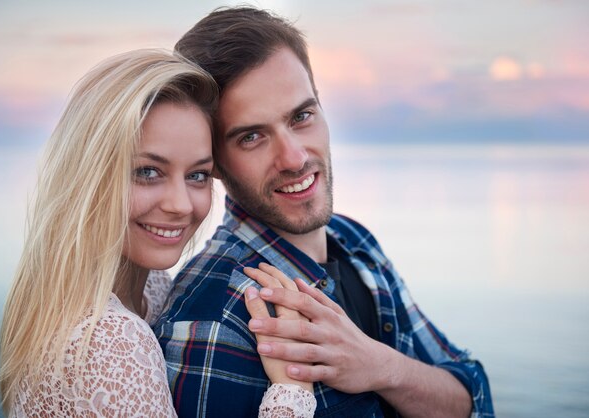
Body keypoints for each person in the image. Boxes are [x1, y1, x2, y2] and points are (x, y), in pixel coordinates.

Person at [154, 6, 494, 418]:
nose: (295, 158)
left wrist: (382, 367)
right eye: (252, 137)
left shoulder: (354, 242)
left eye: (301, 116)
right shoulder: (218, 317)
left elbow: (471, 397)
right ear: (216, 163)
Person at [0, 48, 316, 417]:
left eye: (197, 175)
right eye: (148, 172)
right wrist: (291, 391)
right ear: (89, 175)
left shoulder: (147, 288)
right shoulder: (111, 341)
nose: (181, 205)